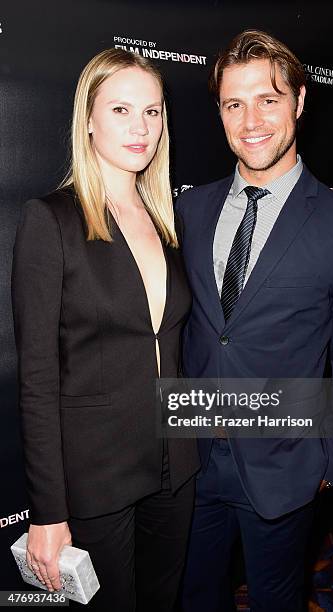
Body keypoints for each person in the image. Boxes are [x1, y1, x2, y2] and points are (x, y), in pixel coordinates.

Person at [176, 30, 333, 612]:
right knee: (192, 596)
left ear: (298, 102)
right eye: (233, 103)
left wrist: (330, 462)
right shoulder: (190, 209)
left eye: (268, 99)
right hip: (191, 459)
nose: (251, 121)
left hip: (285, 464)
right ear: (218, 109)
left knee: (275, 599)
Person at [11, 48, 199, 612]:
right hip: (96, 477)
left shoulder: (168, 218)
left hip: (176, 463)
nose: (142, 128)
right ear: (87, 119)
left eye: (153, 111)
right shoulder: (51, 221)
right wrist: (48, 511)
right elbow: (38, 379)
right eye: (121, 110)